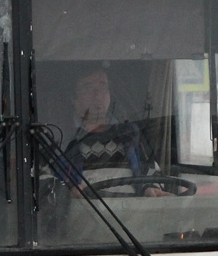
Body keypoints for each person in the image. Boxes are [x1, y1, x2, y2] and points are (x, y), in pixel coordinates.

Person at [56, 66, 168, 197]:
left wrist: (149, 188)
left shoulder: (130, 133)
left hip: (131, 213)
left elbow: (153, 172)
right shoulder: (63, 137)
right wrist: (68, 191)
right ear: (73, 98)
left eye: (103, 88)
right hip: (84, 213)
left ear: (109, 94)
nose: (97, 95)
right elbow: (44, 181)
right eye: (88, 88)